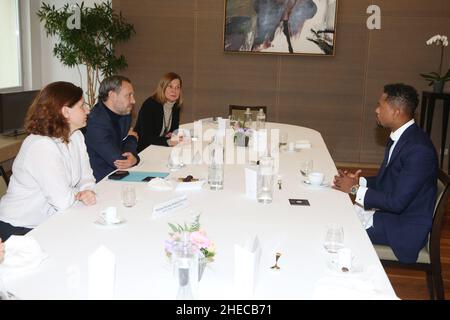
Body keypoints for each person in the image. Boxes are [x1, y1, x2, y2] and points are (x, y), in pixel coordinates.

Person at [333, 83, 438, 264]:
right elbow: (389, 181)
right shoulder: (402, 137)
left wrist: (355, 190)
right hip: (392, 216)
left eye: (380, 105)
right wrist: (360, 182)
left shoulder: (418, 149)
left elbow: (397, 203)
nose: (376, 110)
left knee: (336, 232)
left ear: (396, 111)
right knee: (334, 215)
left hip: (404, 228)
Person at [0, 82, 96, 241]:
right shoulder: (41, 146)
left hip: (50, 220)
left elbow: (87, 177)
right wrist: (79, 194)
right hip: (20, 227)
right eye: (82, 105)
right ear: (66, 111)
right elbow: (62, 201)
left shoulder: (76, 136)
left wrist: (88, 190)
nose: (87, 110)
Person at [84, 75, 140, 182]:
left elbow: (126, 155)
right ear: (112, 95)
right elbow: (119, 161)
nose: (133, 100)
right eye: (129, 95)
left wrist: (133, 157)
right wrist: (132, 138)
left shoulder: (124, 113)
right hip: (101, 181)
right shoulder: (95, 122)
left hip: (120, 175)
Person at [134, 72, 183, 152]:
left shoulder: (176, 106)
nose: (174, 91)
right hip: (143, 150)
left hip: (160, 148)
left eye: (177, 87)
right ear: (163, 88)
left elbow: (174, 129)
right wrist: (168, 141)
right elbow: (146, 137)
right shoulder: (150, 105)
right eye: (170, 86)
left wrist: (172, 134)